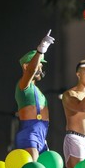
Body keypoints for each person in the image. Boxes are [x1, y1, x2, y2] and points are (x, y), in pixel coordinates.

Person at [14, 30, 55, 161]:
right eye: (39, 65)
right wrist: (41, 50)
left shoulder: (39, 91)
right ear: (26, 66)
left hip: (42, 136)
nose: (41, 69)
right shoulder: (23, 86)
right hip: (29, 133)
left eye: (41, 66)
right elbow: (32, 70)